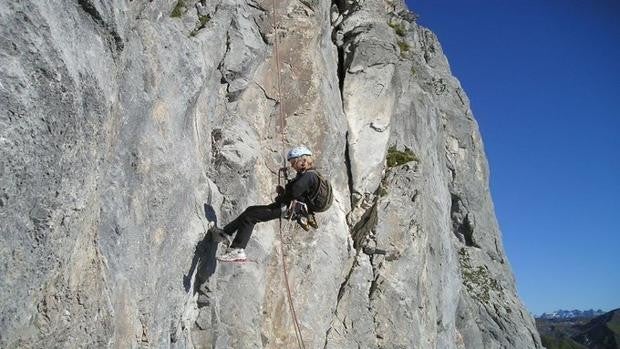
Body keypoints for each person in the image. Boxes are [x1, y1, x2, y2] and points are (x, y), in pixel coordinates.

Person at [209, 146, 322, 262]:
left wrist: (284, 193)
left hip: (286, 208)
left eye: (294, 162)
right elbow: (297, 193)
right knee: (251, 210)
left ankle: (238, 249)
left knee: (250, 217)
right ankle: (225, 233)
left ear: (303, 161)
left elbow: (294, 192)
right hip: (287, 207)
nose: (292, 166)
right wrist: (284, 192)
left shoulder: (309, 176)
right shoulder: (308, 175)